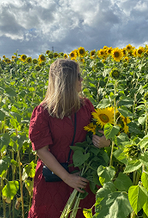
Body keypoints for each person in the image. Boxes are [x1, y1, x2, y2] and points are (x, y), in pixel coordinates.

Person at [28, 59, 110, 218]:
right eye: (78, 76)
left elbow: (100, 130)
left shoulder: (86, 106)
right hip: (54, 177)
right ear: (67, 80)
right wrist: (66, 177)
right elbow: (41, 150)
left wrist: (105, 141)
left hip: (82, 175)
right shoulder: (44, 112)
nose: (82, 80)